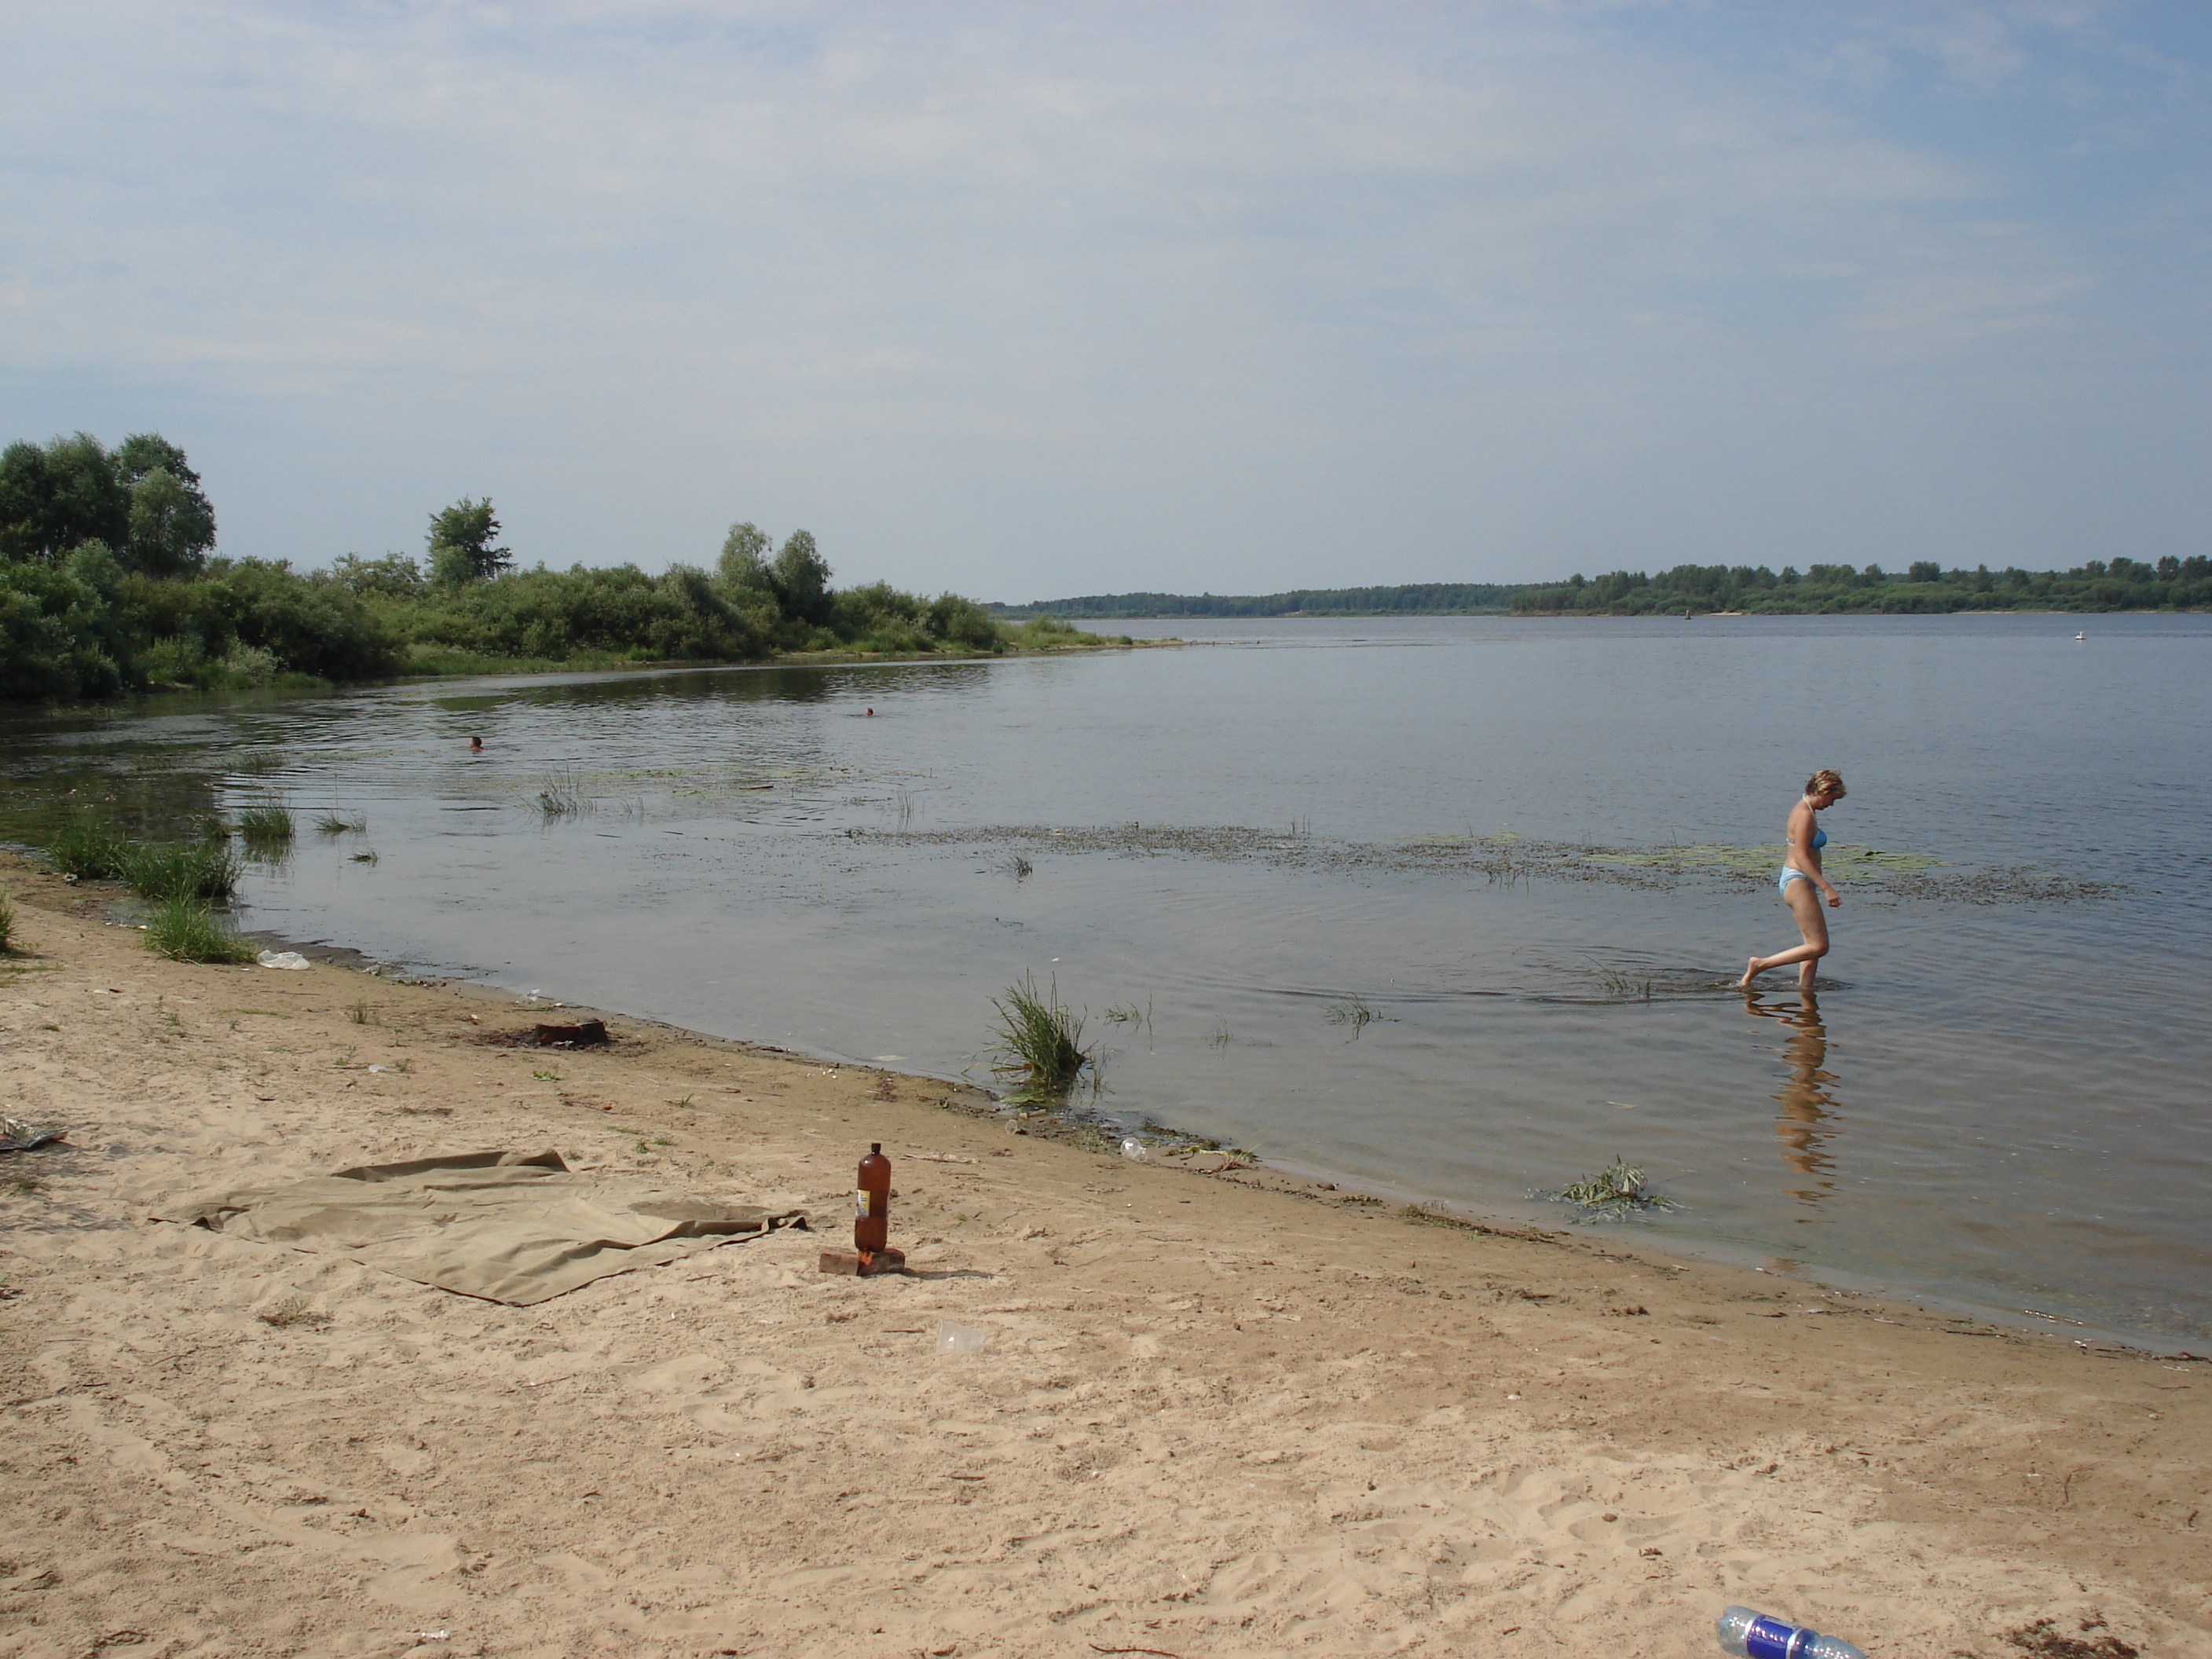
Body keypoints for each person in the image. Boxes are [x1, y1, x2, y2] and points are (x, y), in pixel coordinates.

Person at [1741, 769, 1846, 989]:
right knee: (1820, 946)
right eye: (1832, 798)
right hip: (1797, 880)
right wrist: (1827, 887)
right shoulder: (1804, 814)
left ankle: (1805, 991)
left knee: (1811, 946)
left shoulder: (1805, 810)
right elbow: (1800, 856)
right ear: (1823, 790)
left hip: (1800, 880)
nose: (1832, 805)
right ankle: (1760, 964)